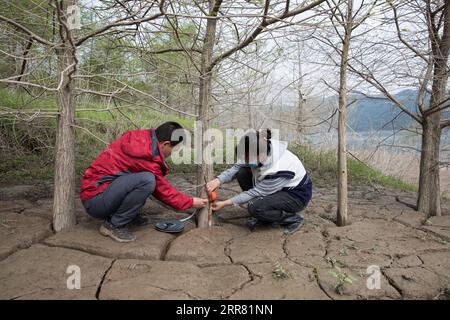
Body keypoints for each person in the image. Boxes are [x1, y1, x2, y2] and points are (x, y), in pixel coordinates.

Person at [80, 121, 208, 242]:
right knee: (147, 180)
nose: (173, 153)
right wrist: (191, 202)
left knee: (142, 179)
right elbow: (163, 191)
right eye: (174, 149)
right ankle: (114, 225)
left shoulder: (143, 140)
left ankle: (127, 217)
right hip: (95, 200)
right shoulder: (145, 155)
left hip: (100, 193)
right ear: (165, 144)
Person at [207, 129, 312, 235]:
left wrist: (225, 203)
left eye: (248, 159)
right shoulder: (255, 150)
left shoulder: (279, 168)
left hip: (296, 195)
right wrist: (218, 180)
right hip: (276, 187)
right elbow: (237, 167)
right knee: (242, 172)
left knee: (255, 207)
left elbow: (254, 193)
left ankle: (292, 219)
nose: (245, 161)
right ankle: (265, 213)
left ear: (260, 156)